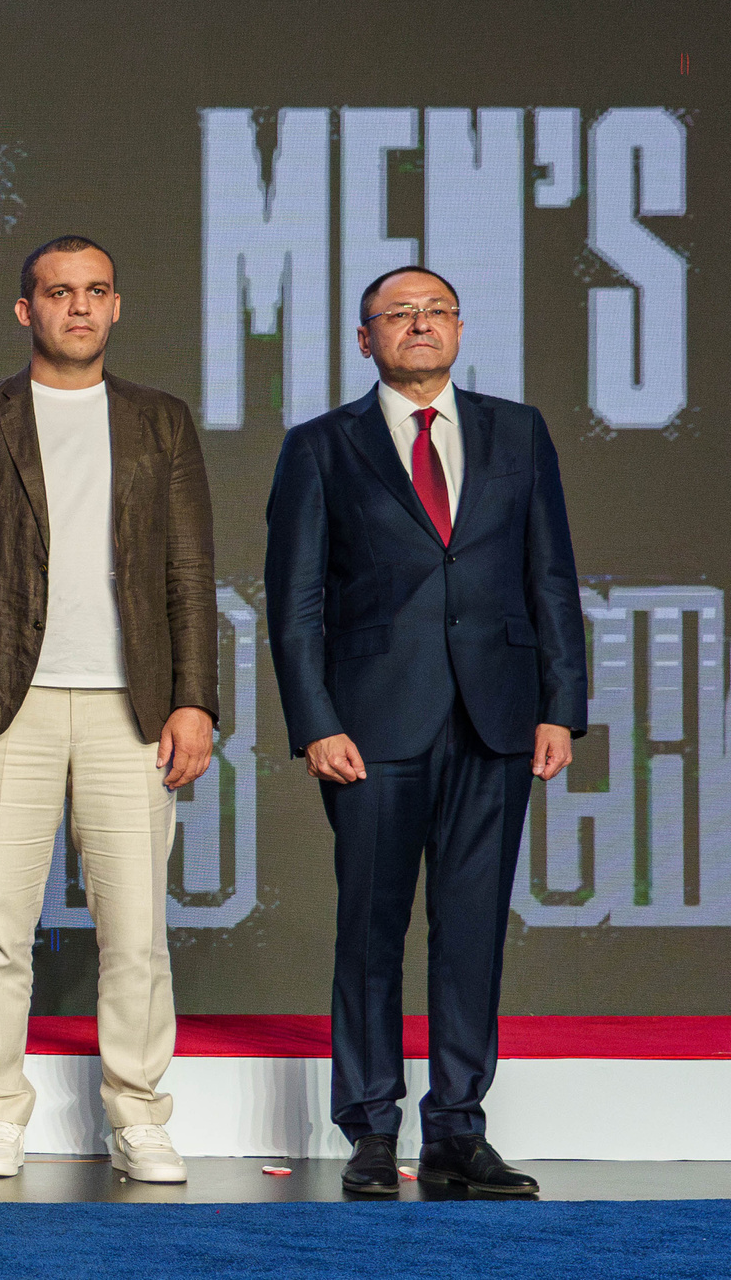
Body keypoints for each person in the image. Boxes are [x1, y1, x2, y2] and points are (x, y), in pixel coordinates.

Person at [266, 265, 587, 1198]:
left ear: (459, 327)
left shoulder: (517, 432)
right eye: (398, 314)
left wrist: (560, 702)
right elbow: (294, 604)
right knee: (370, 929)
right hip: (370, 726)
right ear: (364, 338)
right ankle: (370, 1130)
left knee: (474, 930)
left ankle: (456, 1132)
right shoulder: (320, 446)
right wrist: (315, 721)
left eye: (436, 310)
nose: (419, 325)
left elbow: (552, 577)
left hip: (496, 717)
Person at [0, 236, 219, 1183]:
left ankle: (138, 1117)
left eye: (94, 292)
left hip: (135, 710)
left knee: (137, 933)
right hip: (7, 705)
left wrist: (197, 700)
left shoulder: (161, 422)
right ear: (25, 310)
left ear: (116, 307)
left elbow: (189, 571)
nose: (77, 307)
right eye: (57, 292)